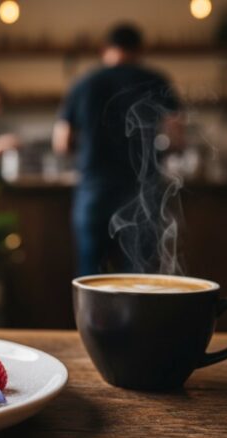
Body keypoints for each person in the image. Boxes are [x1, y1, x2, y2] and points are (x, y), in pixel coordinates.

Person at [53, 23, 183, 276]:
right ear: (140, 49)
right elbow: (177, 137)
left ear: (105, 50)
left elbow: (61, 142)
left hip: (93, 190)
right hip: (141, 192)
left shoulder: (84, 83)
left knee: (91, 276)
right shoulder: (156, 80)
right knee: (140, 276)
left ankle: (91, 317)